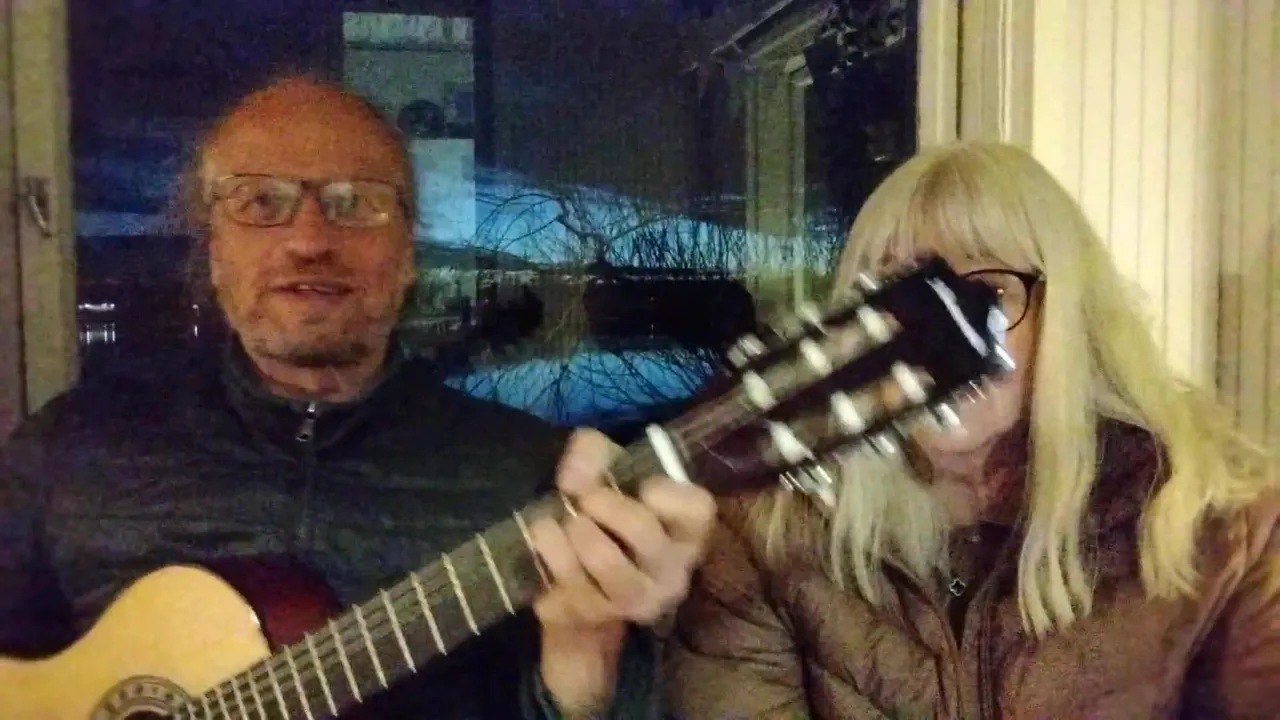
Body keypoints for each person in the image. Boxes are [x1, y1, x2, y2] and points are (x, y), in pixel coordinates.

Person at [0, 76, 716, 719]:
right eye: (261, 202)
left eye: (355, 204)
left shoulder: (536, 480)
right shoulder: (70, 450)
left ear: (407, 256)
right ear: (214, 250)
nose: (310, 240)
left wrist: (586, 658)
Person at [663, 142, 1278, 718]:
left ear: (1067, 317)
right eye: (901, 299)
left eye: (988, 293)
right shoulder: (766, 534)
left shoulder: (1221, 525)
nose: (935, 342)